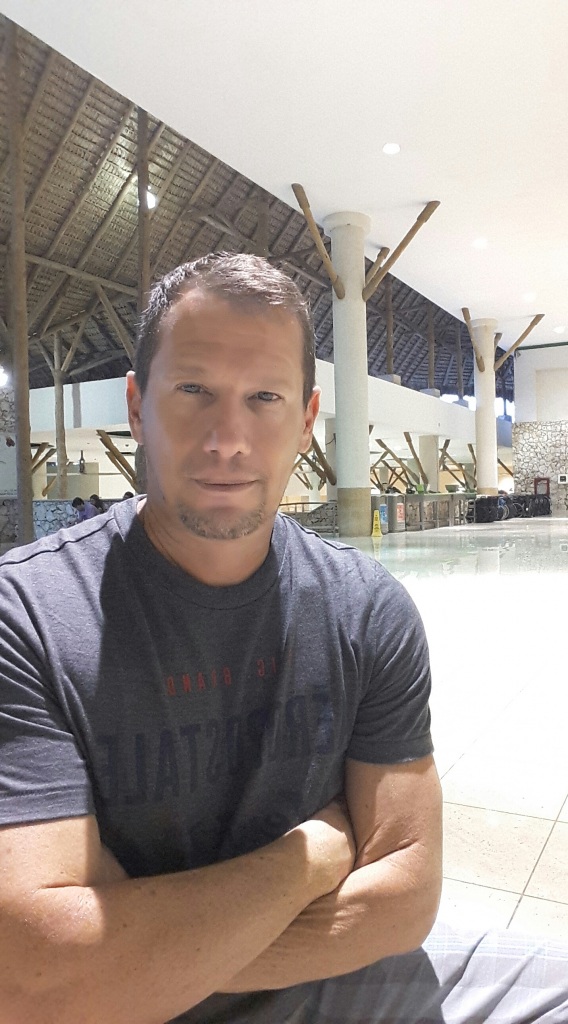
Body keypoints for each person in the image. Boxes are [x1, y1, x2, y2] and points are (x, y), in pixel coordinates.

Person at [0, 253, 565, 1024]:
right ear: (136, 406)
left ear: (305, 419)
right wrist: (313, 859)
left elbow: (405, 899)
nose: (227, 438)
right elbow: (36, 976)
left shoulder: (366, 609)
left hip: (324, 977)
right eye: (193, 390)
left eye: (264, 397)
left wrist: (135, 956)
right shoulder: (27, 617)